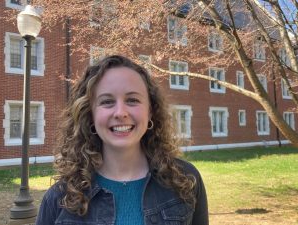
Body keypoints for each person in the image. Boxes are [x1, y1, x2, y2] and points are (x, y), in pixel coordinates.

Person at [36, 55, 209, 225]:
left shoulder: (186, 181)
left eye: (132, 100)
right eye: (107, 101)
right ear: (90, 115)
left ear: (150, 111)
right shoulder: (60, 198)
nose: (120, 112)